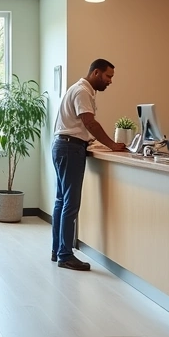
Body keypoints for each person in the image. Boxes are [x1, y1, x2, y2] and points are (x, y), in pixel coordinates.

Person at [51, 59, 128, 271]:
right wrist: (112, 145)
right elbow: (89, 122)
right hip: (70, 148)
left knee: (61, 201)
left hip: (64, 145)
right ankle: (65, 255)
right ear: (96, 73)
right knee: (70, 203)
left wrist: (93, 141)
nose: (110, 81)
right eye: (108, 76)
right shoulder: (82, 91)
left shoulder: (81, 89)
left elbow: (83, 126)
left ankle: (58, 250)